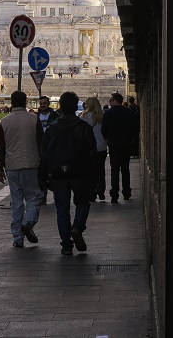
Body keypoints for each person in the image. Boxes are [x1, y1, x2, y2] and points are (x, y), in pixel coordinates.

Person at [41, 91, 98, 255]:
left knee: (62, 209)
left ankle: (66, 244)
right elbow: (92, 154)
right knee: (83, 202)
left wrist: (43, 176)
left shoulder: (52, 129)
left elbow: (44, 154)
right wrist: (95, 179)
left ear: (60, 107)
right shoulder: (84, 127)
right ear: (76, 107)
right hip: (80, 173)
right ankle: (78, 226)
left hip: (58, 174)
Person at [0, 90, 45, 247]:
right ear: (25, 102)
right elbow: (41, 143)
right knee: (34, 197)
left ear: (11, 102)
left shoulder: (4, 121)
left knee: (16, 201)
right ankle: (28, 222)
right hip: (31, 164)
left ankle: (17, 238)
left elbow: (1, 147)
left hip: (11, 166)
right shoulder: (34, 119)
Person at [101, 91, 137, 202]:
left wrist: (108, 139)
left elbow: (104, 130)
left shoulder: (108, 114)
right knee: (125, 169)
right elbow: (135, 129)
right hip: (126, 144)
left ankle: (114, 194)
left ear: (115, 101)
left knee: (114, 170)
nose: (110, 102)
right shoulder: (130, 113)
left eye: (111, 100)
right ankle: (126, 192)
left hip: (113, 145)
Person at [79, 96, 108, 200]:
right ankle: (100, 189)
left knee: (90, 169)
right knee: (101, 169)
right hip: (101, 146)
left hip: (88, 147)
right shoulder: (102, 116)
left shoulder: (83, 116)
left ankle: (91, 191)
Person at [35, 96, 59, 204]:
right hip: (40, 147)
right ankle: (42, 195)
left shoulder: (55, 116)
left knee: (53, 172)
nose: (43, 105)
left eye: (44, 103)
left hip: (52, 147)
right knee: (41, 172)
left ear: (48, 104)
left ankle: (57, 195)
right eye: (41, 103)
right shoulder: (35, 116)